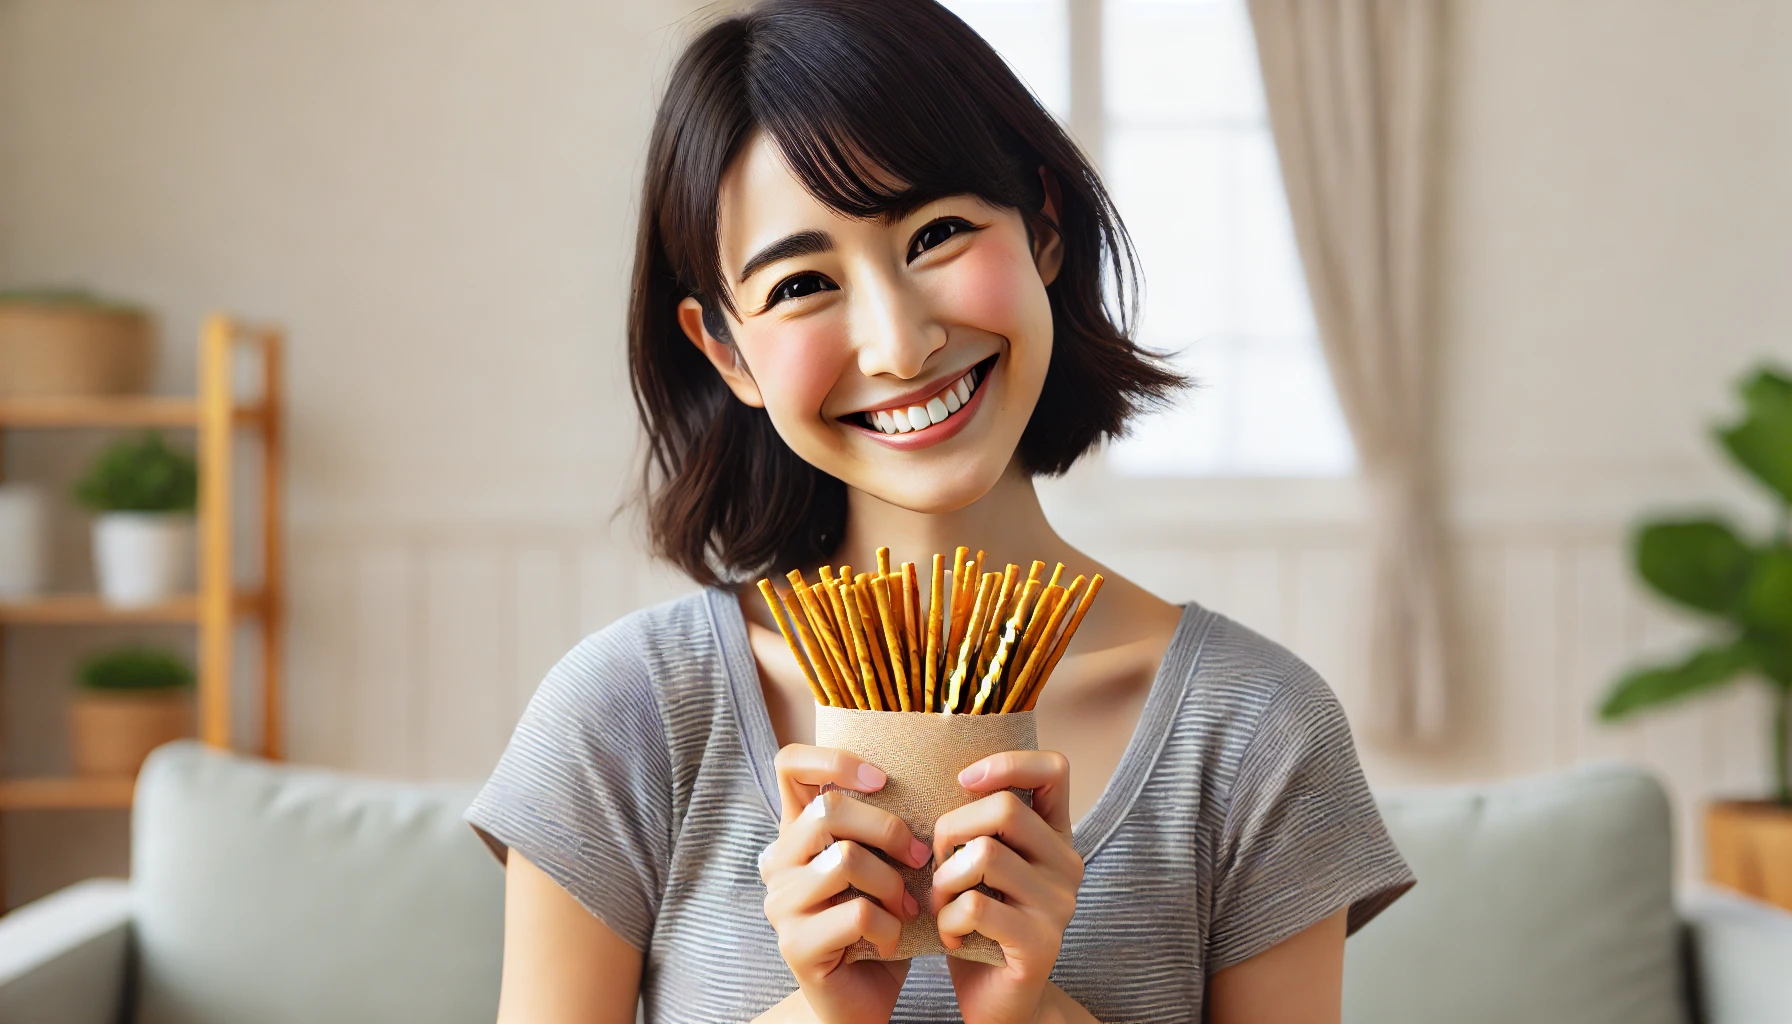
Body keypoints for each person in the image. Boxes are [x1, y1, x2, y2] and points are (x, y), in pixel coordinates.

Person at [465, 2, 1414, 1021]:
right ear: (726, 351)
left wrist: (1032, 1013)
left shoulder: (1252, 731)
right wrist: (824, 1013)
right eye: (800, 284)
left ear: (1043, 225)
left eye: (937, 232)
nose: (898, 342)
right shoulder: (626, 718)